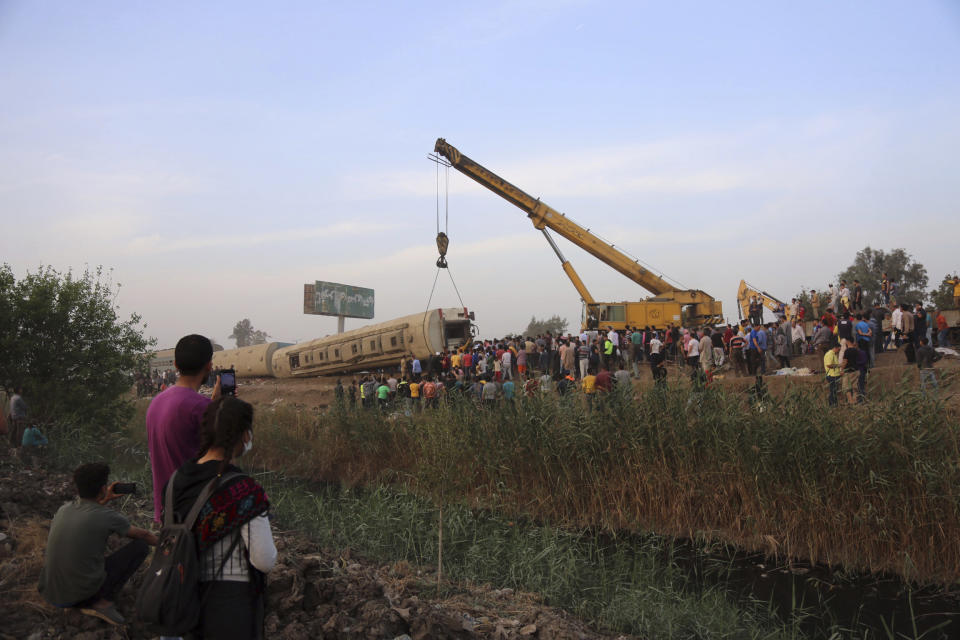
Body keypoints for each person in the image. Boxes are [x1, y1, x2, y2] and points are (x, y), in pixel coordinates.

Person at [167, 396, 276, 639]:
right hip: (228, 603)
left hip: (182, 596)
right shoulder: (244, 490)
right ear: (245, 435)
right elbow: (264, 560)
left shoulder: (176, 480)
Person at [38, 462, 158, 625]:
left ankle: (81, 598)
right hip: (80, 597)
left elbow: (90, 514)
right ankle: (102, 602)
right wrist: (170, 545)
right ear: (103, 488)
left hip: (52, 594)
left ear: (78, 488)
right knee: (141, 546)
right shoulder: (108, 517)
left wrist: (105, 498)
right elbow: (144, 534)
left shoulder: (64, 509)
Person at [146, 335, 221, 523]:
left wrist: (212, 404)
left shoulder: (157, 402)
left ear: (176, 365)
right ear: (209, 366)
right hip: (196, 513)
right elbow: (224, 453)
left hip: (167, 511)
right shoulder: (201, 407)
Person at [823, 339, 843, 407]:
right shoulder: (829, 354)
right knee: (833, 391)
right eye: (838, 349)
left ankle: (834, 404)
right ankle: (832, 404)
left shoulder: (833, 354)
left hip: (835, 375)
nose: (839, 351)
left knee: (834, 391)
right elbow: (829, 365)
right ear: (835, 348)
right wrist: (839, 365)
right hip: (832, 375)